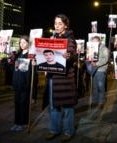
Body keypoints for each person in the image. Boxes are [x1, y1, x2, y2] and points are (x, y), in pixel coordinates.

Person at [42, 14, 77, 142]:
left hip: (64, 79)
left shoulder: (70, 39)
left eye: (60, 23)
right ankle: (54, 130)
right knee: (53, 106)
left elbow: (73, 55)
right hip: (52, 77)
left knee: (67, 106)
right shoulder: (53, 38)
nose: (57, 26)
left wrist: (68, 56)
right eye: (55, 23)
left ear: (65, 25)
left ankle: (68, 131)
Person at [0, 35, 37, 131]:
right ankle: (17, 122)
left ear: (29, 43)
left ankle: (23, 122)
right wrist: (2, 61)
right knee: (17, 104)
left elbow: (35, 70)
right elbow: (11, 68)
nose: (22, 44)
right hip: (17, 84)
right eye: (20, 42)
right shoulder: (17, 55)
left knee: (24, 104)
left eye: (24, 42)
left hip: (25, 84)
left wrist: (34, 64)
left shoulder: (31, 55)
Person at [90, 36, 109, 109]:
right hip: (94, 70)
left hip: (101, 70)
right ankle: (94, 101)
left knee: (101, 87)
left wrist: (96, 64)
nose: (94, 43)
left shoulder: (104, 49)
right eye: (93, 42)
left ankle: (101, 102)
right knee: (95, 87)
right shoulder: (92, 49)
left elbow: (106, 59)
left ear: (99, 41)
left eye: (95, 41)